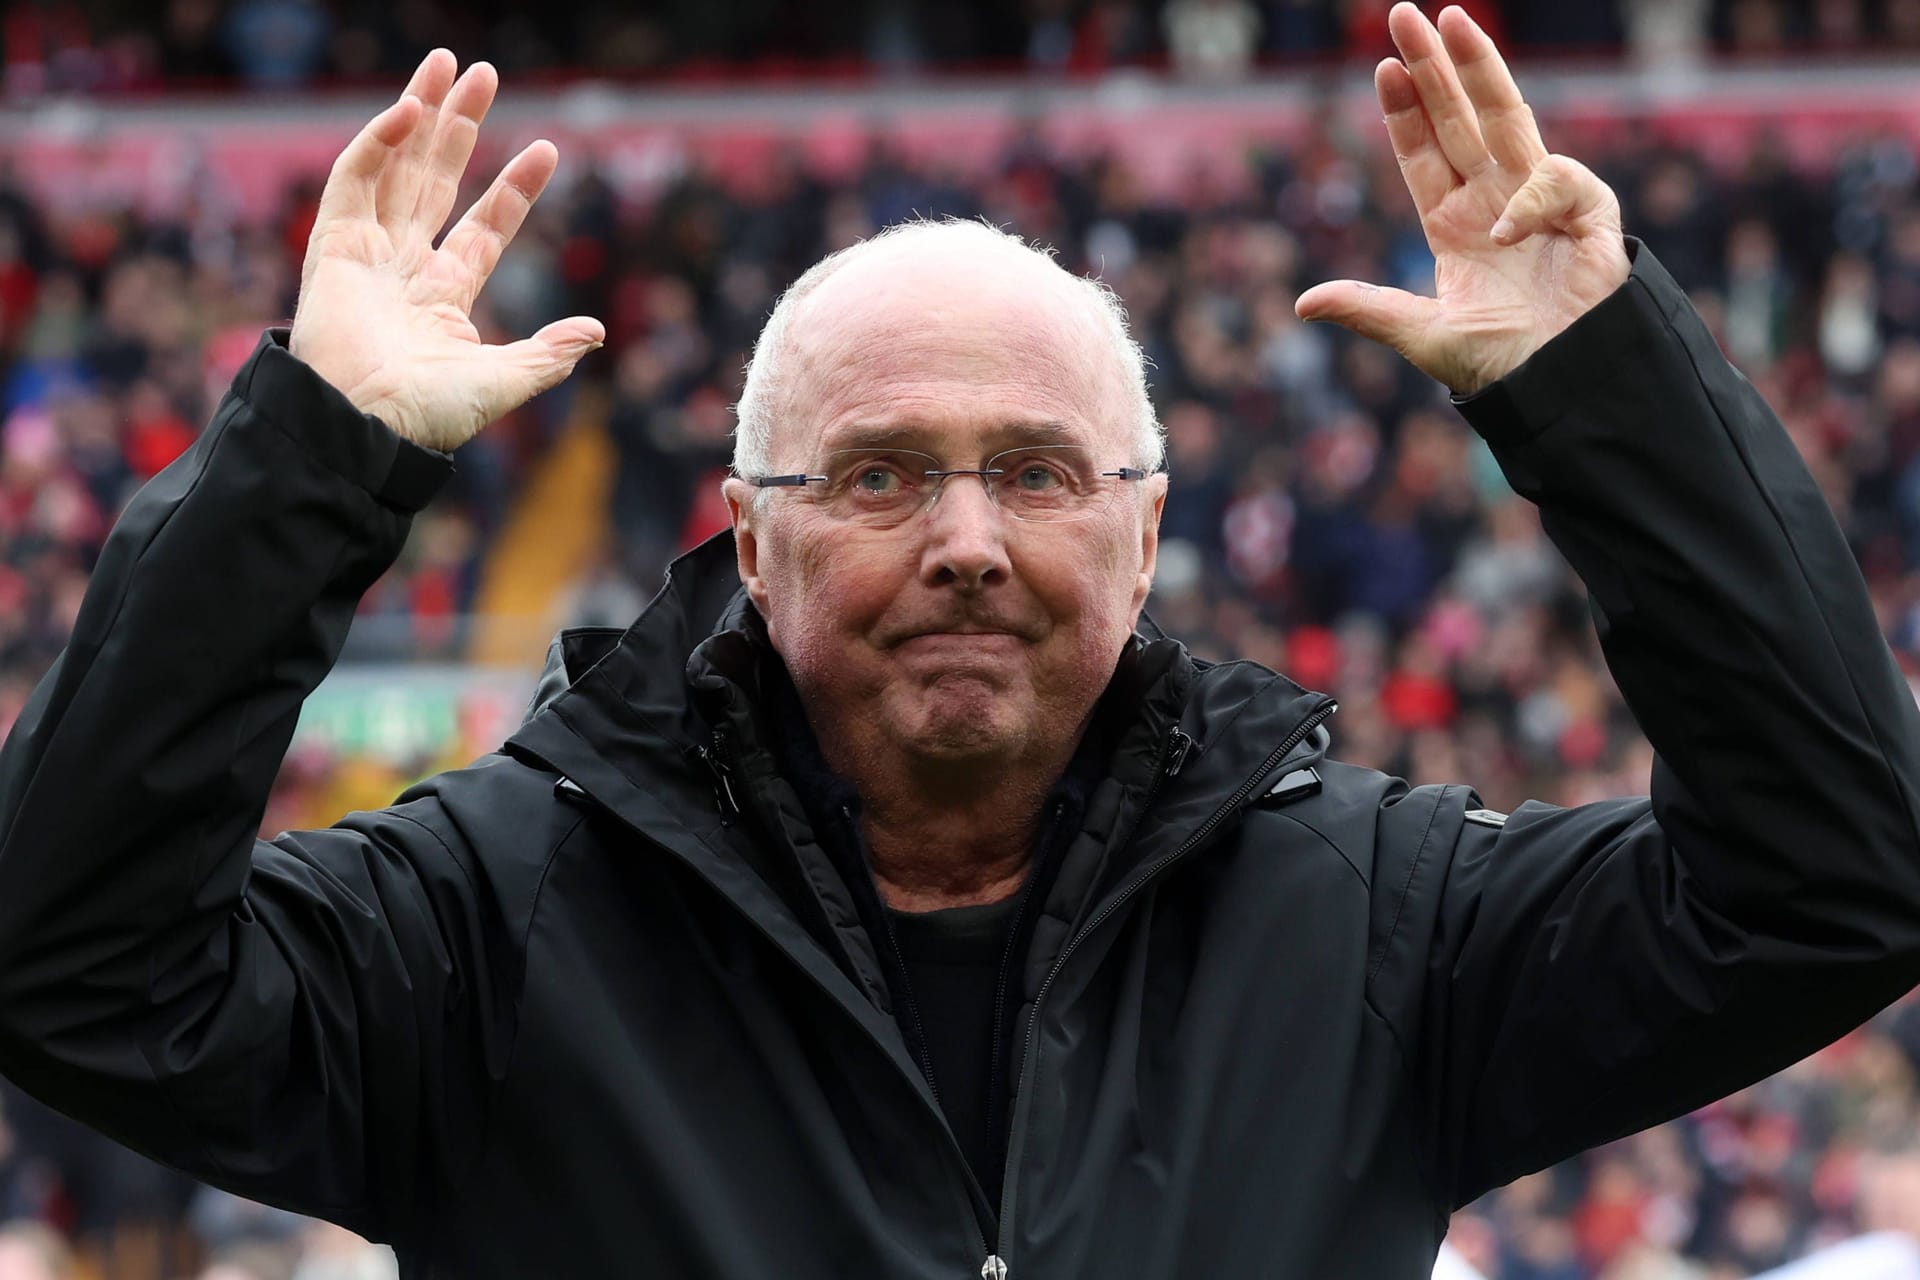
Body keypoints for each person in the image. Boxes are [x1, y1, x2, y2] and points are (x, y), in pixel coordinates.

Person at [1, 4, 1918, 1277]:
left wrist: (1610, 397)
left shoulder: (1372, 923)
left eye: (1038, 470)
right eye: (882, 477)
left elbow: (1832, 885)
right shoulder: (494, 924)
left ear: (1148, 524)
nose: (972, 541)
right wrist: (311, 454)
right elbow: (74, 973)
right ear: (748, 543)